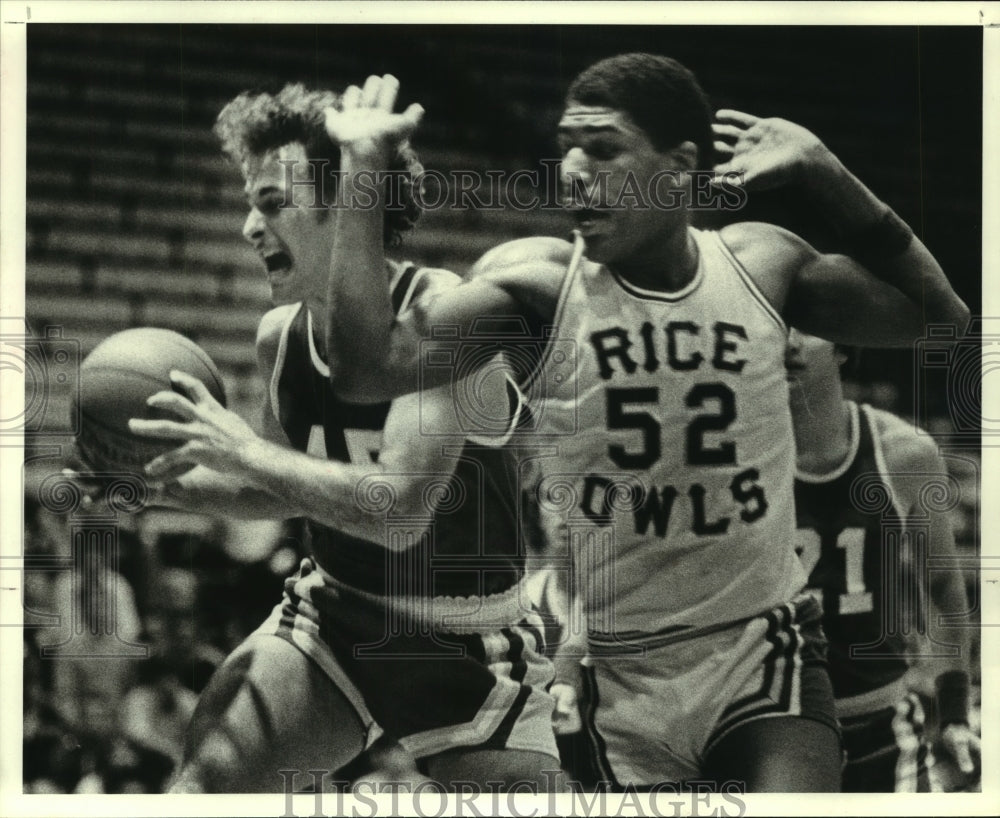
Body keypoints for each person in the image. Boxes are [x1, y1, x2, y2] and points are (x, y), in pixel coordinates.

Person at [320, 55, 969, 792]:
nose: (571, 169)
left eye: (601, 148)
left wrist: (824, 170)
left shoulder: (761, 264)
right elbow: (364, 367)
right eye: (566, 144)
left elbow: (939, 318)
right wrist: (361, 173)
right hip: (616, 668)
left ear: (678, 165)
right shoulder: (538, 289)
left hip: (759, 648)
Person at [104, 81, 560, 792]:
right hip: (335, 620)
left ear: (351, 207)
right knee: (203, 790)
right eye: (248, 206)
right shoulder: (279, 339)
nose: (250, 228)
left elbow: (399, 511)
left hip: (466, 640)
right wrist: (157, 480)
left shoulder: (446, 318)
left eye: (271, 204)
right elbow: (278, 487)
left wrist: (240, 448)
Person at [787, 328, 979, 792]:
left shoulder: (902, 450)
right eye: (776, 323)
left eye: (804, 327)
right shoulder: (732, 451)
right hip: (773, 724)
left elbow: (946, 591)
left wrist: (954, 711)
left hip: (881, 720)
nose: (786, 342)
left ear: (843, 345)